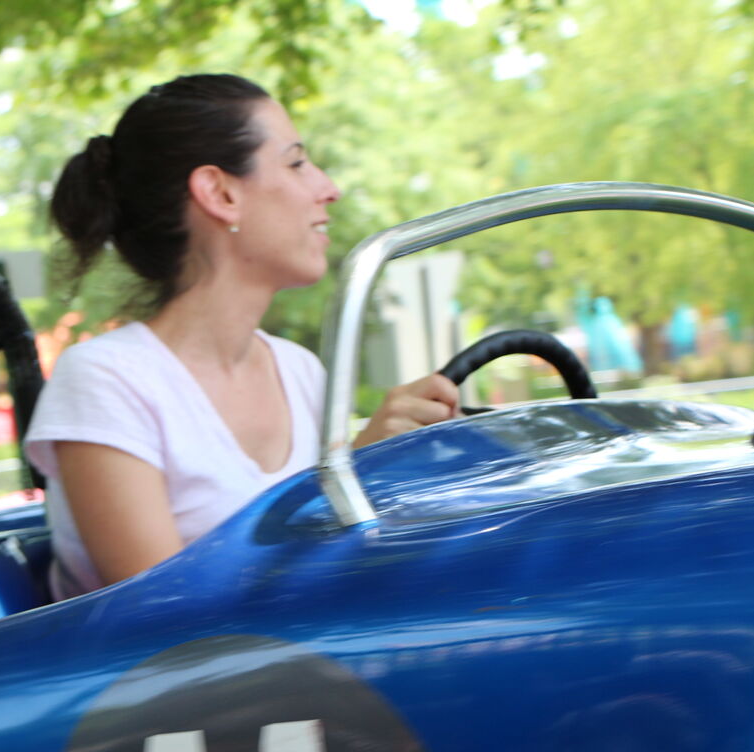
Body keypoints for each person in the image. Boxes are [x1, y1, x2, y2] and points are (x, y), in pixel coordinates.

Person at [24, 73, 460, 600]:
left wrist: (377, 464)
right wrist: (333, 485)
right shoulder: (105, 380)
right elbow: (161, 616)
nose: (328, 188)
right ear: (220, 192)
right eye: (297, 162)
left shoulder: (300, 371)